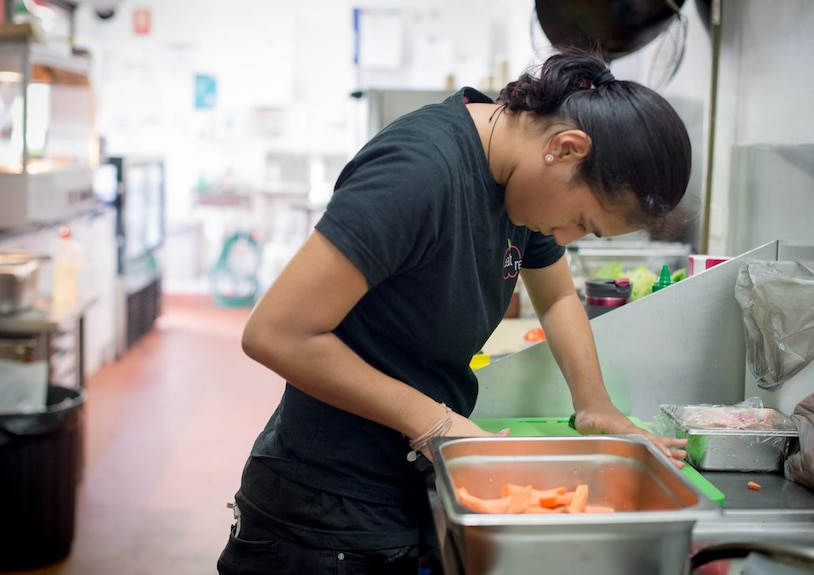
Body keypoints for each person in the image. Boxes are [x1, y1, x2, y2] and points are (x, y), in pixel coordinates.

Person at [217, 47, 691, 575]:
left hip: (400, 488)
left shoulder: (519, 178)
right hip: (323, 511)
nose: (566, 237)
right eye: (582, 220)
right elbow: (276, 333)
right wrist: (437, 424)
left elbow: (557, 297)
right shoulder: (419, 173)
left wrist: (594, 404)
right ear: (565, 147)